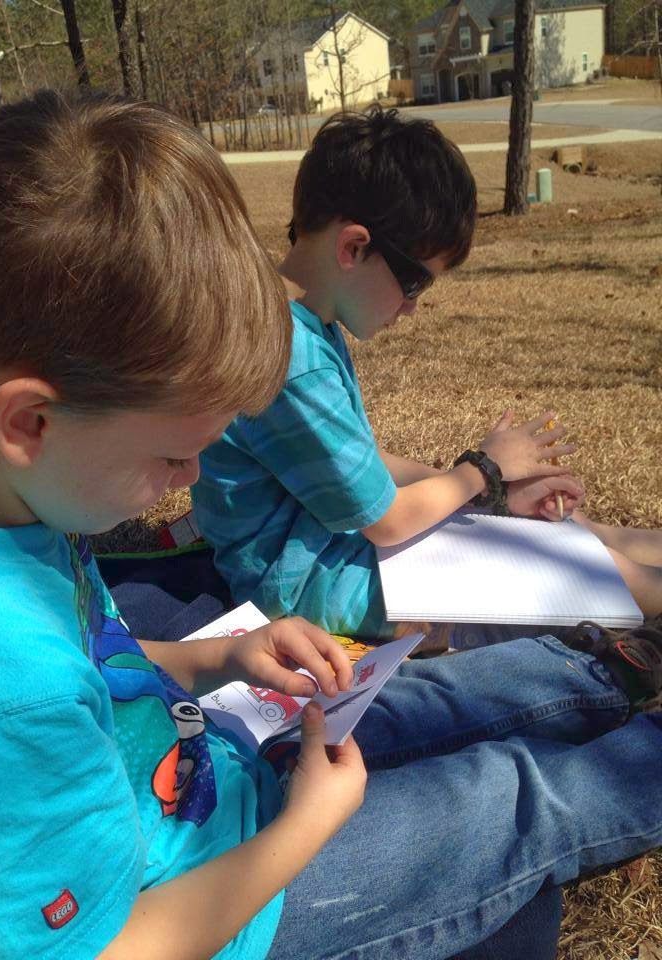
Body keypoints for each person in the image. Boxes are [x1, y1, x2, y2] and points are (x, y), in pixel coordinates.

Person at [0, 89, 661, 960]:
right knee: (511, 798)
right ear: (29, 422)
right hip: (234, 906)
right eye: (173, 456)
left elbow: (97, 663)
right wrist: (304, 828)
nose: (191, 481)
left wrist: (220, 658)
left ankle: (599, 668)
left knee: (424, 701)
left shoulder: (14, 512)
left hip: (212, 780)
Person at [191, 106, 662, 642]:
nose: (413, 307)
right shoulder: (288, 358)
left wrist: (491, 494)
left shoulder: (297, 324)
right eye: (415, 284)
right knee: (580, 568)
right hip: (314, 587)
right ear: (354, 247)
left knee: (578, 533)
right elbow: (387, 520)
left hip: (337, 551)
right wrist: (483, 470)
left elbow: (363, 465)